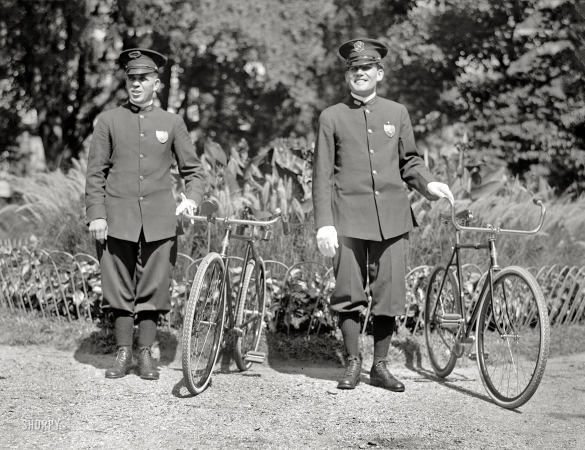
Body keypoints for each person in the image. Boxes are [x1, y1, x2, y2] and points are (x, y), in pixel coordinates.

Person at [312, 38, 454, 391]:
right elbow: (322, 174)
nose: (360, 74)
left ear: (379, 72)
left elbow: (410, 162)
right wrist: (324, 224)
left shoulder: (397, 113)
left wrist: (429, 184)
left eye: (366, 68)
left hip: (392, 218)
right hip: (346, 220)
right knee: (348, 292)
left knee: (389, 294)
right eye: (353, 69)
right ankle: (353, 363)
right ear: (348, 76)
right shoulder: (332, 116)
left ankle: (380, 366)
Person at [85, 48, 205, 380]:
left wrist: (191, 201)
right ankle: (123, 353)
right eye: (131, 78)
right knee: (118, 286)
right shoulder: (109, 120)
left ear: (156, 82)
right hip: (115, 217)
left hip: (159, 219)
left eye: (143, 79)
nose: (136, 84)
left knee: (154, 287)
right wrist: (96, 214)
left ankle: (145, 352)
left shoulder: (172, 122)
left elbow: (194, 171)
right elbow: (95, 173)